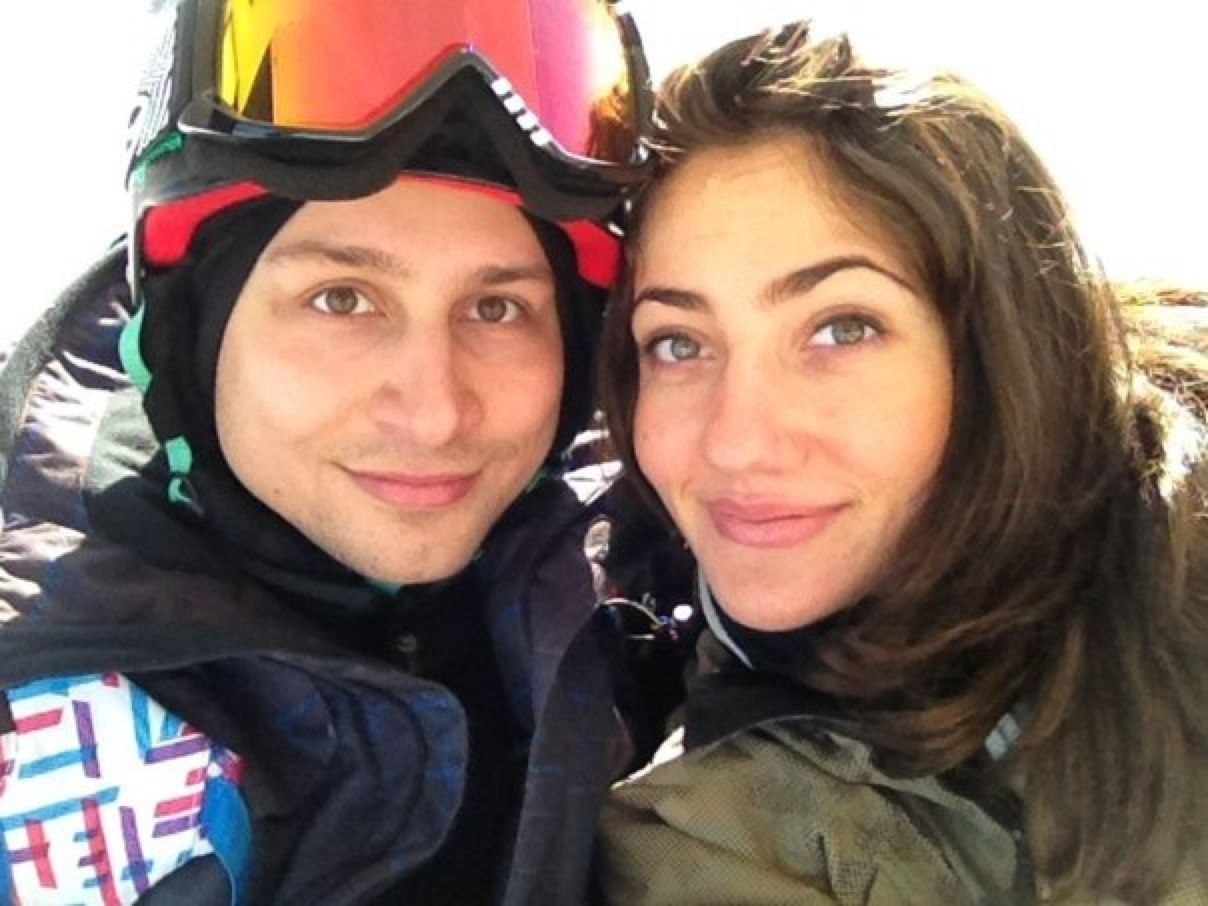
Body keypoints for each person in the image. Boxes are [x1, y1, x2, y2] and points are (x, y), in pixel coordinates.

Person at [0, 0, 653, 902]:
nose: (434, 414)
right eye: (341, 299)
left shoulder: (656, 578)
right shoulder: (35, 737)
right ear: (193, 331)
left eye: (496, 309)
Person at [594, 22, 1208, 904]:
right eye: (679, 343)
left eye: (843, 328)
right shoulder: (720, 835)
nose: (736, 441)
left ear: (995, 357)